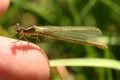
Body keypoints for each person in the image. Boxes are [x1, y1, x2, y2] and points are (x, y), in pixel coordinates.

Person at [0, 0, 50, 80]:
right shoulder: (23, 31)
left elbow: (30, 39)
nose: (18, 31)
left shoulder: (24, 32)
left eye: (19, 31)